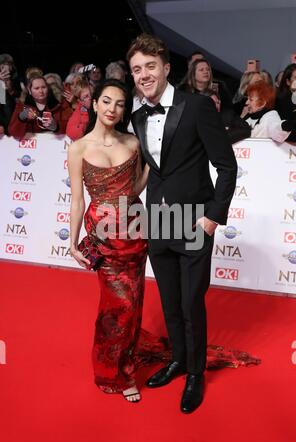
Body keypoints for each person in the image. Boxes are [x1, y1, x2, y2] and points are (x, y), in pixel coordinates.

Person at [128, 33, 238, 414]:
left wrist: (212, 217)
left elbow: (227, 166)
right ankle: (176, 360)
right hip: (158, 222)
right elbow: (151, 170)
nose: (143, 75)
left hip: (194, 223)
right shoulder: (137, 115)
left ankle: (195, 373)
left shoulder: (197, 107)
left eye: (150, 67)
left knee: (192, 302)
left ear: (167, 68)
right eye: (137, 69)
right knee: (171, 301)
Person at [67, 79, 169, 403]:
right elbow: (77, 200)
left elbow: (134, 189)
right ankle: (116, 371)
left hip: (134, 230)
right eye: (106, 101)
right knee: (117, 305)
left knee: (134, 301)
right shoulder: (78, 148)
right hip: (103, 235)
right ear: (95, 104)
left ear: (125, 109)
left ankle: (124, 363)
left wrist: (153, 166)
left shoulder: (133, 143)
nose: (112, 109)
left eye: (120, 104)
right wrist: (72, 242)